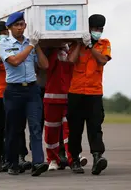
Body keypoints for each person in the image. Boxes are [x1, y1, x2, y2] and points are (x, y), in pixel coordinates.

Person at [0, 12, 49, 176]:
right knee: (14, 128)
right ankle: (12, 163)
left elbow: (44, 65)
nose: (20, 28)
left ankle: (38, 162)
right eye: (16, 25)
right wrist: (31, 46)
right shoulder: (4, 44)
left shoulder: (30, 43)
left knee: (35, 126)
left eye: (22, 25)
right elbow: (15, 61)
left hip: (32, 89)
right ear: (9, 28)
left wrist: (37, 45)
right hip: (14, 90)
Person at [0, 23, 32, 173]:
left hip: (13, 92)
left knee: (17, 127)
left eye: (6, 32)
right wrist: (2, 51)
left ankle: (20, 157)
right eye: (2, 33)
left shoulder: (15, 46)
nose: (5, 34)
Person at [67, 14, 111, 175]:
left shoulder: (104, 44)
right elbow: (71, 60)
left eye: (100, 29)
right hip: (76, 92)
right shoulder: (75, 44)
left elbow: (103, 60)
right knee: (75, 128)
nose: (97, 31)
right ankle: (75, 160)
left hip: (94, 92)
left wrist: (91, 46)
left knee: (95, 127)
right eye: (94, 28)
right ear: (88, 28)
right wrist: (80, 44)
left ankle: (97, 157)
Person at [42, 43, 88, 171]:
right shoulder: (48, 50)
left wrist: (78, 42)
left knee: (71, 130)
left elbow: (72, 62)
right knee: (51, 131)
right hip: (52, 96)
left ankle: (74, 157)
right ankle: (52, 159)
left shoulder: (72, 50)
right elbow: (44, 66)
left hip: (70, 96)